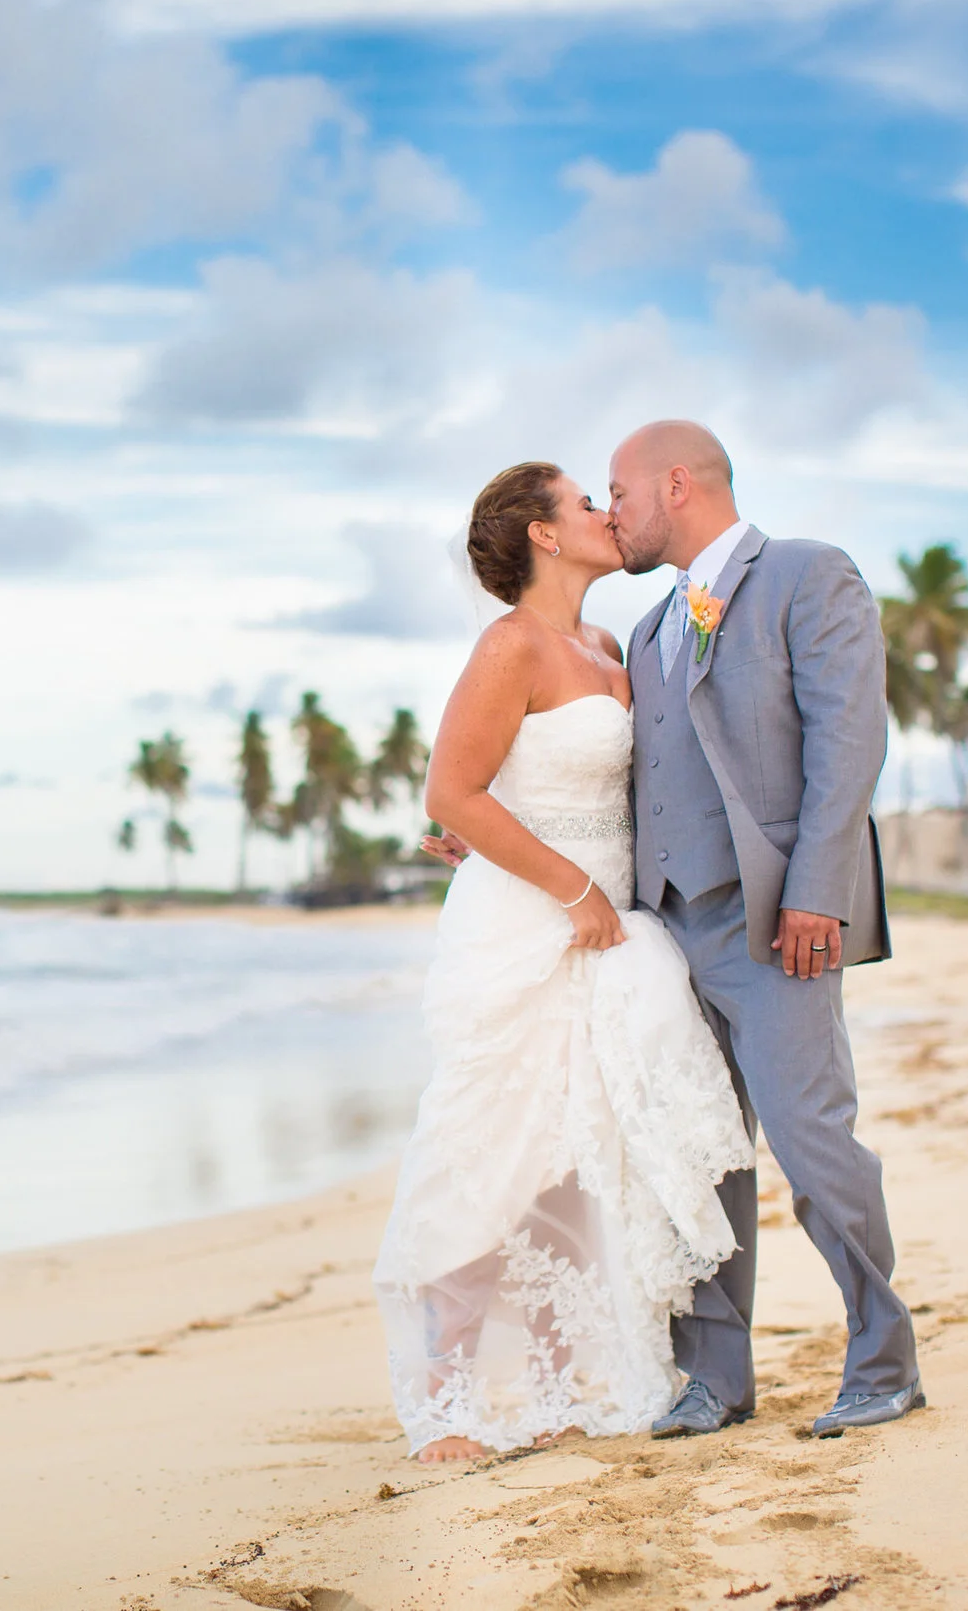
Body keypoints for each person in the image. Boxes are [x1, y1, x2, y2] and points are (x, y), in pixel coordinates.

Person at [373, 460, 751, 1463]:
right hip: (527, 925)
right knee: (491, 1148)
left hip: (608, 924)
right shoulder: (512, 643)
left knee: (573, 1152)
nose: (602, 511)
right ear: (544, 533)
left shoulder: (609, 642)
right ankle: (447, 1398)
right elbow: (452, 792)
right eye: (583, 501)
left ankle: (548, 1382)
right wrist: (569, 887)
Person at [603, 419, 922, 1440]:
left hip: (774, 918)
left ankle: (883, 1359)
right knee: (700, 1156)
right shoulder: (649, 628)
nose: (610, 513)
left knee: (810, 1138)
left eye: (618, 491)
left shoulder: (804, 573)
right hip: (665, 931)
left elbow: (847, 733)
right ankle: (715, 1377)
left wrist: (817, 890)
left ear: (677, 484)